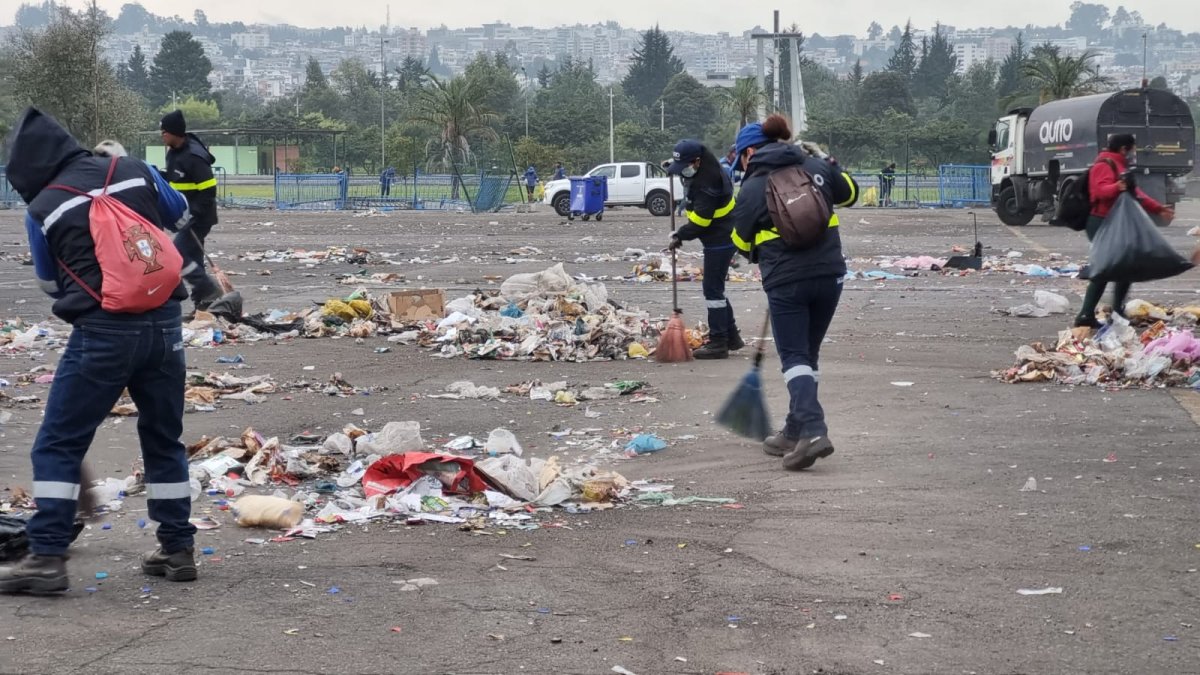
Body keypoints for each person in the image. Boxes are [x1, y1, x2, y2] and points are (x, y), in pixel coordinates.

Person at [0, 108, 198, 594]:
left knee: (58, 442)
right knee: (163, 437)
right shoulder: (132, 169)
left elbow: (49, 283)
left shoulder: (44, 206)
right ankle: (177, 548)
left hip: (104, 333)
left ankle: (46, 556)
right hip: (166, 325)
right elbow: (180, 215)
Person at [730, 114, 858, 471]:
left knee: (794, 357)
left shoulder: (754, 186)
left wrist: (760, 246)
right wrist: (830, 161)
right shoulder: (815, 166)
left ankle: (813, 432)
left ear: (750, 151)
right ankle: (794, 428)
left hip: (787, 281)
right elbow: (850, 193)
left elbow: (739, 242)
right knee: (806, 354)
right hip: (830, 275)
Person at [1074, 133, 1175, 328]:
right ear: (1124, 149)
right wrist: (1117, 186)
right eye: (1133, 149)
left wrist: (1158, 208)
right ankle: (1085, 315)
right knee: (1104, 268)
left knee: (1125, 268)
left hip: (1117, 223)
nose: (1134, 152)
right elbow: (1099, 191)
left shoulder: (1119, 165)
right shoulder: (1104, 165)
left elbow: (1136, 193)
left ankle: (1118, 312)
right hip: (1101, 222)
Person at [665, 140, 744, 359]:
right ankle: (732, 337)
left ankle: (719, 342)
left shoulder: (710, 183)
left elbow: (701, 222)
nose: (683, 172)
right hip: (718, 237)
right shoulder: (703, 168)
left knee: (712, 291)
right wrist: (672, 167)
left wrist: (679, 235)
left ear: (697, 161)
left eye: (686, 167)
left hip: (721, 239)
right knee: (715, 288)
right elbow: (681, 167)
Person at [160, 110, 222, 317]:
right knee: (193, 258)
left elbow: (209, 191)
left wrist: (192, 214)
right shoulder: (174, 154)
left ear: (174, 132)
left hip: (199, 217)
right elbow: (172, 180)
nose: (162, 134)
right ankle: (203, 307)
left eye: (165, 131)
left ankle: (208, 288)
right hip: (184, 216)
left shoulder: (194, 157)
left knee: (176, 254)